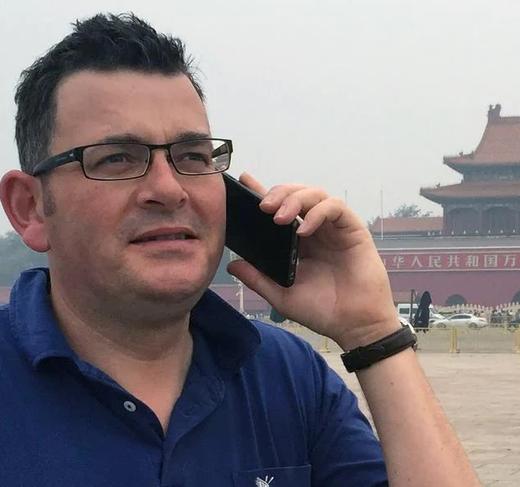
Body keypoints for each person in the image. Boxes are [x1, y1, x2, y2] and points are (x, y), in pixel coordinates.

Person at [0, 13, 479, 486]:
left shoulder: (289, 379)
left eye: (193, 157)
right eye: (117, 158)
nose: (169, 189)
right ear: (31, 208)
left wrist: (373, 333)